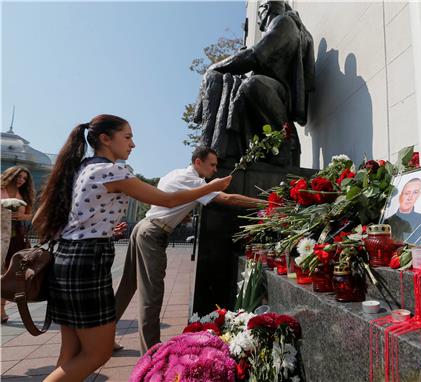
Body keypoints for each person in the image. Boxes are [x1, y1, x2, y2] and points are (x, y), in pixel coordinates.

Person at [32, 114, 232, 381]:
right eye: (127, 137)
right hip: (87, 263)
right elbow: (166, 200)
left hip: (66, 259)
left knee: (71, 353)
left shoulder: (81, 168)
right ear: (105, 139)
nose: (133, 144)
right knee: (96, 355)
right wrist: (212, 187)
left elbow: (45, 218)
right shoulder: (112, 171)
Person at [114, 146, 264, 354]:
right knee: (152, 295)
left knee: (127, 286)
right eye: (212, 165)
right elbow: (229, 199)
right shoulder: (195, 181)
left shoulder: (174, 173)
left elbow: (170, 199)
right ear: (198, 163)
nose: (214, 170)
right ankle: (151, 355)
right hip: (152, 233)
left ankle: (105, 335)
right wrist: (266, 203)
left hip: (144, 226)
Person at [194, 0, 314, 165]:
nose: (259, 21)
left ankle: (284, 146)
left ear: (266, 9)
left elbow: (255, 55)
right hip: (273, 89)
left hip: (280, 93)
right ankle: (237, 151)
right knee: (236, 84)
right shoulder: (283, 24)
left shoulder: (283, 22)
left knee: (252, 85)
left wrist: (214, 67)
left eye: (259, 15)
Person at [0, 166, 35, 323]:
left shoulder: (24, 194)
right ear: (10, 175)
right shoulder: (1, 189)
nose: (21, 180)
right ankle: (1, 310)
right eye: (18, 177)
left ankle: (2, 309)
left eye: (24, 178)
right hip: (1, 235)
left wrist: (22, 216)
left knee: (10, 274)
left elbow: (31, 215)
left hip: (17, 237)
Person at [387, 178, 421, 245]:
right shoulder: (387, 222)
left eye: (415, 192)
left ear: (418, 195)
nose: (410, 197)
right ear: (400, 196)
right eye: (406, 193)